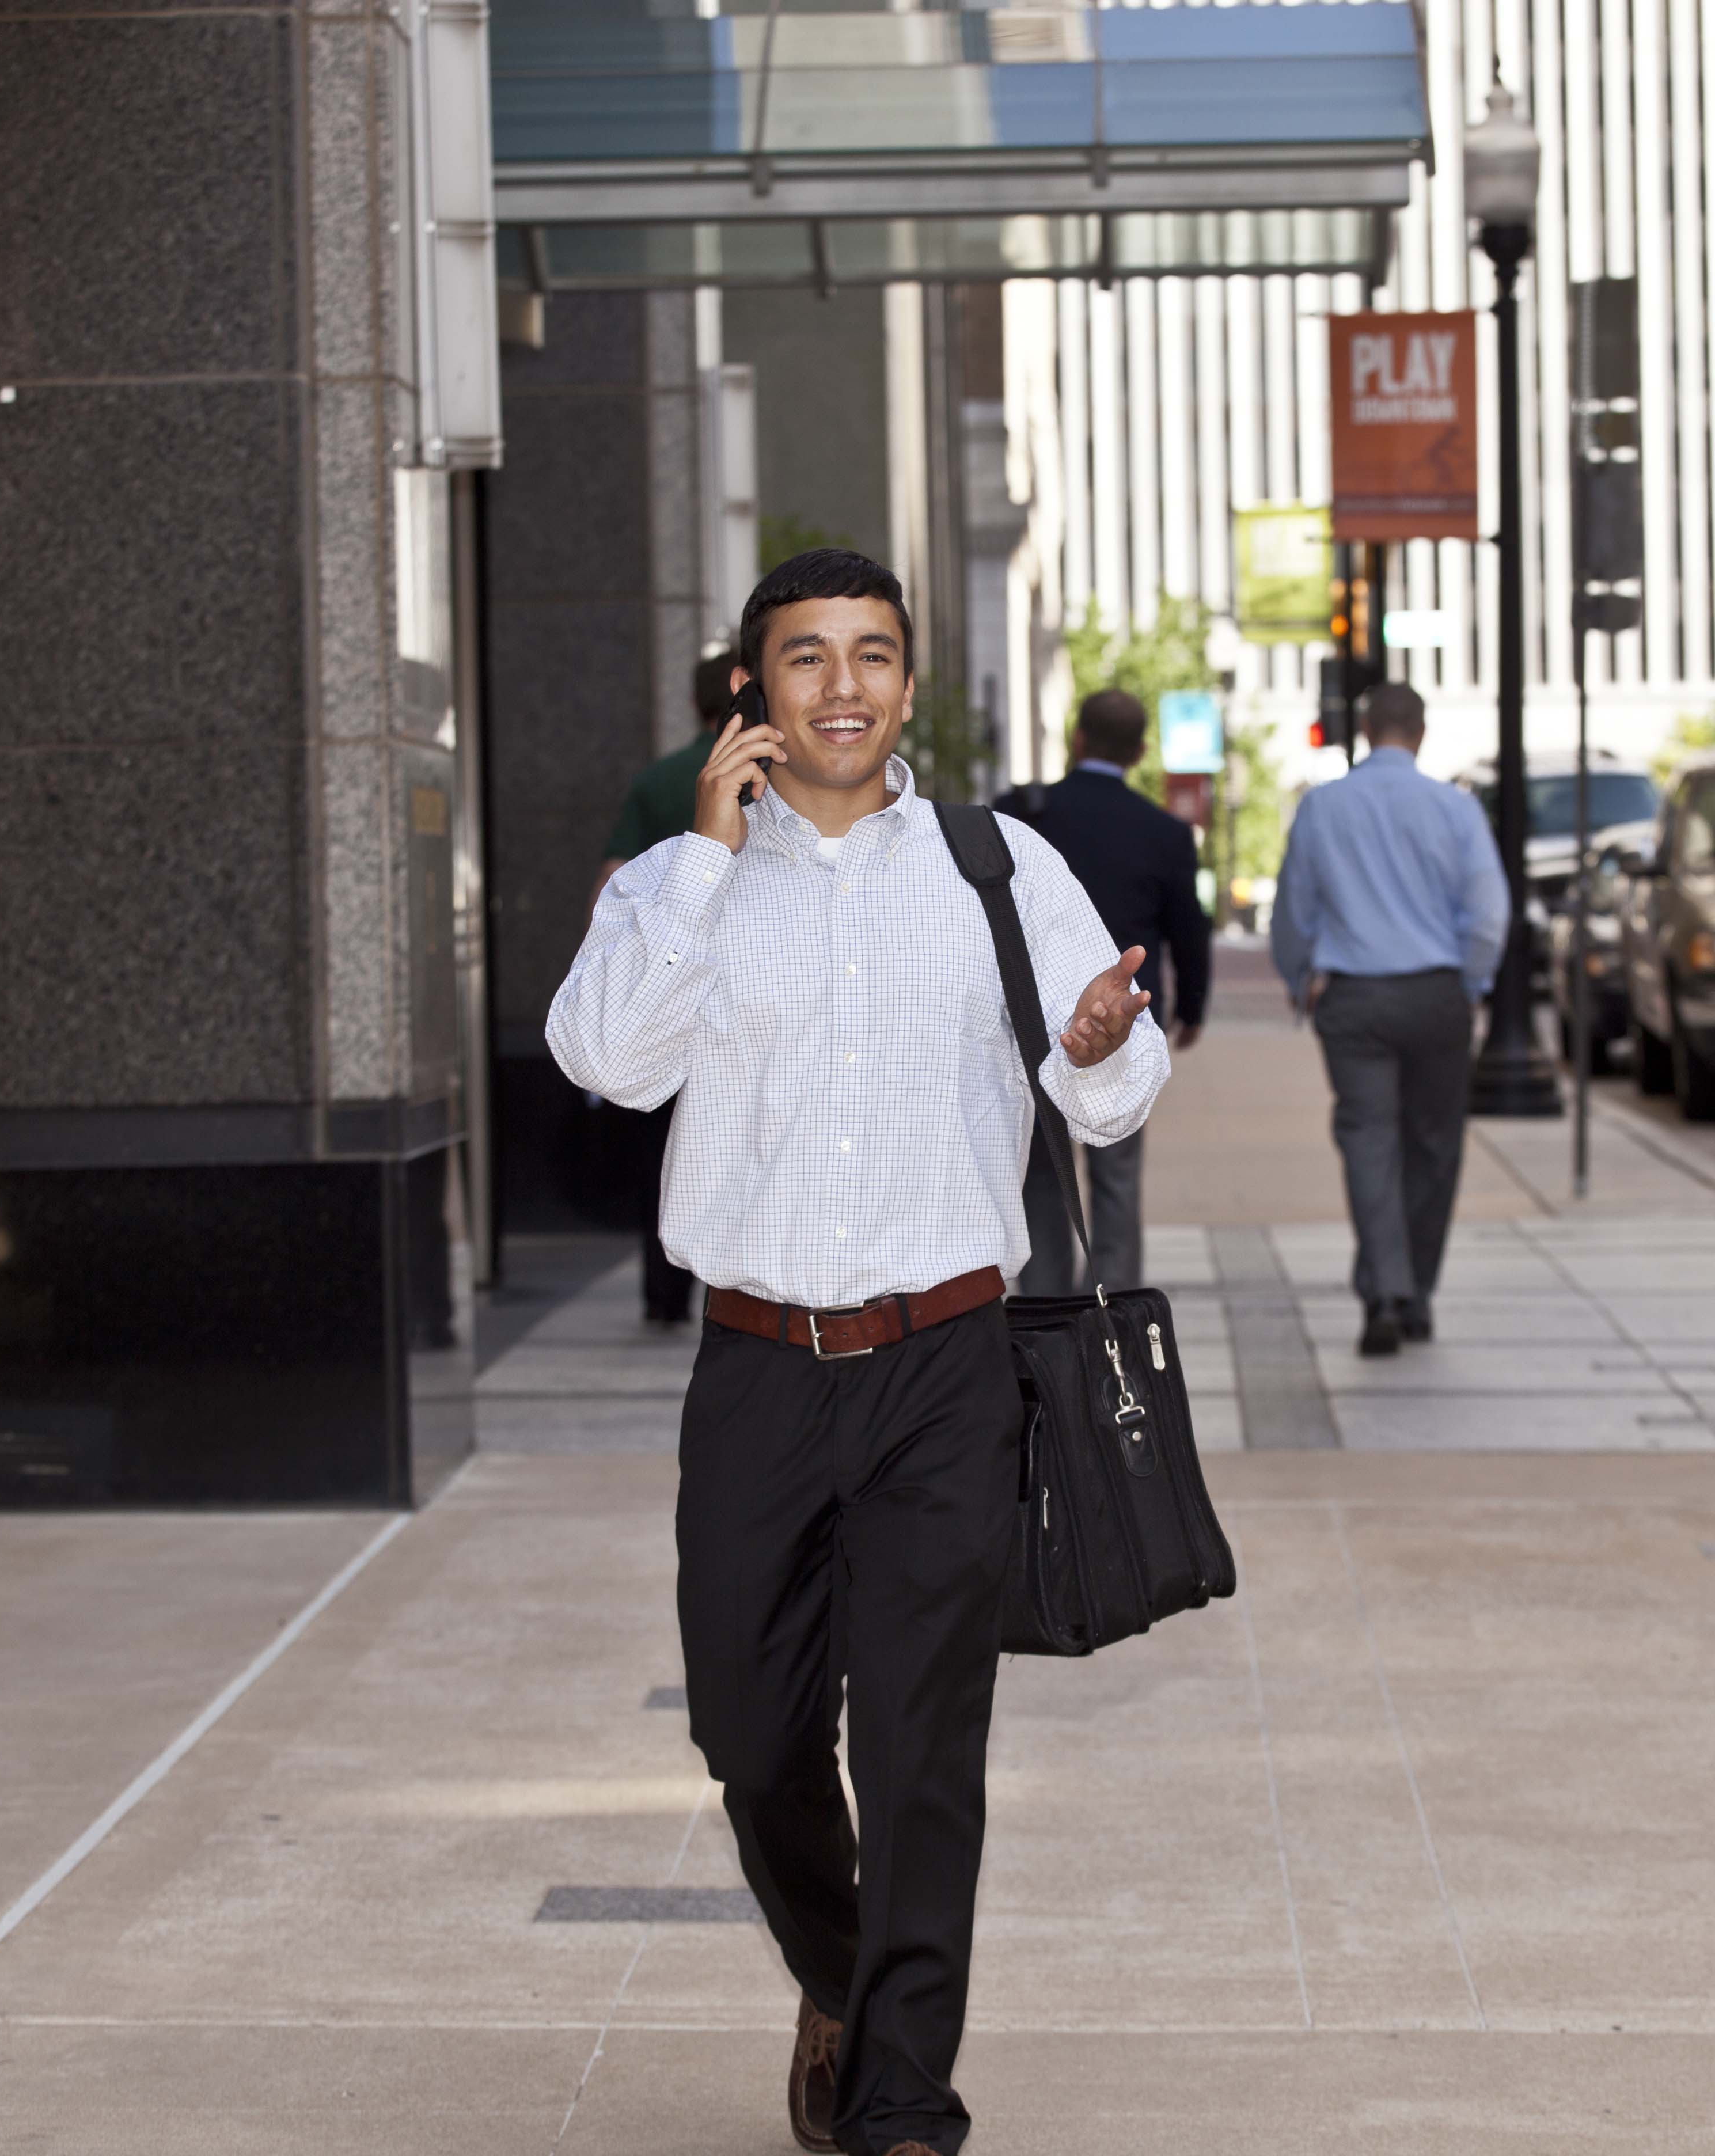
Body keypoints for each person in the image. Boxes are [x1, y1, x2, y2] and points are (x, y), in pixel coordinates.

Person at [548, 549, 1167, 2156]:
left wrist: (1100, 1047)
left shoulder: (996, 865)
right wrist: (698, 859)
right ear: (754, 689)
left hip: (947, 1365)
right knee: (749, 1735)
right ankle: (841, 1979)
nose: (843, 685)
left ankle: (902, 2089)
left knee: (918, 1742)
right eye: (806, 656)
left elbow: (1107, 1082)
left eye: (873, 654)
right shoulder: (679, 883)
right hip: (754, 1368)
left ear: (909, 682)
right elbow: (606, 1062)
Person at [1269, 681, 1508, 1358]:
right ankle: (1416, 1293)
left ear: (1366, 728)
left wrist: (1298, 980)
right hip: (1435, 993)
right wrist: (1471, 982)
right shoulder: (1455, 809)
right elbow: (1489, 914)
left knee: (1369, 1141)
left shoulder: (1323, 807)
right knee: (1434, 1147)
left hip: (1354, 998)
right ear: (1422, 733)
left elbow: (1294, 909)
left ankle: (1384, 1292)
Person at [997, 688, 1211, 1290]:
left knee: (1040, 1177)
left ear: (1077, 738)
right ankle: (1114, 1314)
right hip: (1122, 1029)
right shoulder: (1164, 832)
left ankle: (1045, 1315)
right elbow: (1189, 932)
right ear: (1141, 752)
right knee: (1117, 1177)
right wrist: (1191, 1009)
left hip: (1030, 1027)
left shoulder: (1017, 816)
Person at [591, 652, 748, 1323]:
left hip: (662, 987)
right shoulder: (766, 776)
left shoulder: (659, 780)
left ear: (694, 705)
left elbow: (611, 877)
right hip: (734, 996)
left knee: (662, 1151)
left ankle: (663, 1299)